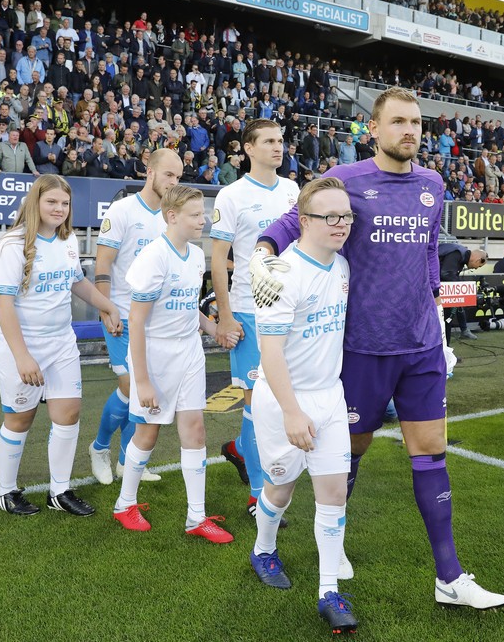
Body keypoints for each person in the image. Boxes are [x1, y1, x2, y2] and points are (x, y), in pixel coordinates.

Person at [255, 87, 504, 608]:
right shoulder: (347, 179)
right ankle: (332, 543)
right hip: (362, 349)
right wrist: (262, 255)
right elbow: (289, 223)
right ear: (373, 129)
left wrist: (434, 300)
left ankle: (450, 577)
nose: (409, 130)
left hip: (421, 344)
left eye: (415, 122)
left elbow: (430, 248)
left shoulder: (433, 183)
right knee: (350, 452)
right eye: (397, 122)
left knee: (431, 453)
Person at [249, 177, 358, 634]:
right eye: (330, 216)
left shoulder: (343, 266)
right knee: (281, 489)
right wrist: (292, 412)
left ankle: (328, 592)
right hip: (282, 400)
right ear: (304, 221)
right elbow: (270, 351)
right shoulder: (279, 273)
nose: (341, 224)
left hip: (330, 396)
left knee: (333, 494)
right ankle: (263, 550)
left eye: (346, 215)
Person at [0, 175, 122, 516]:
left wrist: (107, 306)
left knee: (68, 414)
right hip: (22, 345)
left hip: (62, 342)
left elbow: (77, 281)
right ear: (35, 202)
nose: (59, 209)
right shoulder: (11, 244)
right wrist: (22, 356)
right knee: (20, 418)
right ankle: (6, 491)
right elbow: (3, 304)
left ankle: (59, 492)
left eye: (64, 203)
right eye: (51, 202)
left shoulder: (68, 239)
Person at [112, 185, 234, 544]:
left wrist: (213, 328)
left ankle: (196, 517)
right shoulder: (153, 257)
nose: (203, 220)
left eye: (203, 214)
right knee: (147, 433)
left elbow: (188, 306)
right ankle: (124, 504)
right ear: (172, 216)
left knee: (195, 429)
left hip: (190, 353)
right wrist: (142, 381)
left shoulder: (195, 255)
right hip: (155, 355)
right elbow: (136, 321)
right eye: (195, 215)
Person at [210, 118, 300, 522]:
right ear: (248, 148)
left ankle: (239, 449)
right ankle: (258, 494)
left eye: (281, 141)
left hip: (288, 308)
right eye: (268, 141)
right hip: (249, 308)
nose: (278, 147)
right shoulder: (231, 195)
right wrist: (225, 315)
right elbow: (218, 259)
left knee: (281, 400)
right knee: (255, 402)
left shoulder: (293, 190)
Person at [88, 149, 183, 485]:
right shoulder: (123, 210)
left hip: (157, 320)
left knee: (146, 393)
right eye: (169, 174)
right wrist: (105, 308)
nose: (174, 182)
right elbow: (103, 263)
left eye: (178, 177)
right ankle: (99, 448)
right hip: (123, 314)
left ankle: (127, 462)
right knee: (130, 387)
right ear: (149, 171)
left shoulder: (172, 218)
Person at [438, 243, 487, 343]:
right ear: (478, 260)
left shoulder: (460, 254)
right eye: (478, 266)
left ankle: (446, 348)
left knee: (447, 317)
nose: (475, 269)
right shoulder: (457, 253)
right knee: (445, 318)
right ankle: (445, 348)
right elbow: (446, 273)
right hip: (427, 287)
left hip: (434, 287)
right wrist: (461, 286)